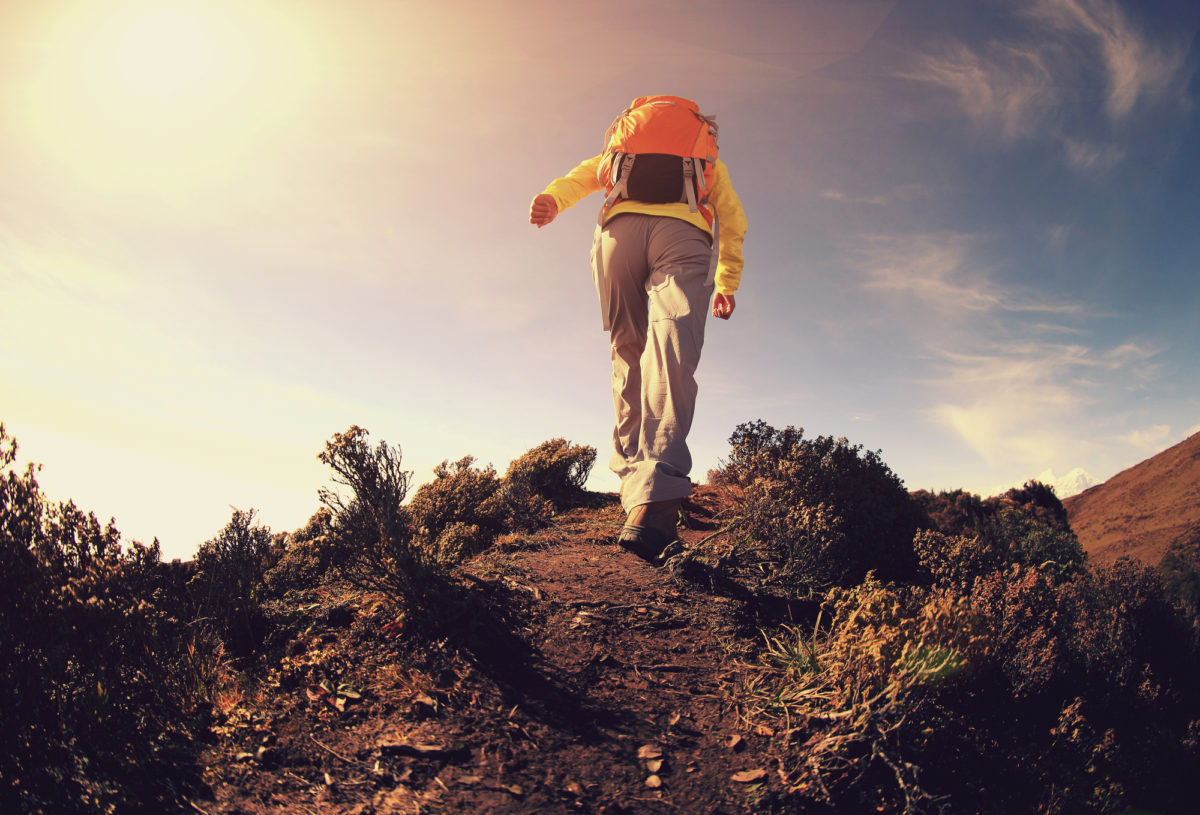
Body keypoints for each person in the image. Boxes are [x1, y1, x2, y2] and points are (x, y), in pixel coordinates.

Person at [529, 96, 747, 564]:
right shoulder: (708, 162)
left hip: (617, 236)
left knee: (627, 351)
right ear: (700, 130)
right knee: (671, 349)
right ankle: (657, 498)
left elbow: (586, 174)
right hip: (682, 235)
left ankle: (633, 486)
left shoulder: (621, 149)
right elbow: (733, 221)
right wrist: (728, 281)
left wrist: (553, 200)